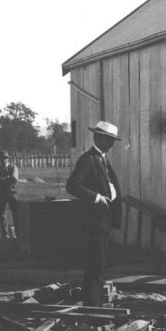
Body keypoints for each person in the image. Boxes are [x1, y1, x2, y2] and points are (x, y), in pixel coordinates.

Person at [66, 121, 122, 307]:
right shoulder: (88, 159)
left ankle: (95, 305)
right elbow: (73, 185)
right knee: (95, 266)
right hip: (94, 222)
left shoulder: (102, 159)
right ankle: (92, 308)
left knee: (101, 265)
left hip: (103, 221)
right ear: (98, 138)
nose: (112, 144)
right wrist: (97, 197)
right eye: (110, 140)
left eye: (113, 140)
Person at [0, 150, 19, 240]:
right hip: (0, 193)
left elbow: (14, 179)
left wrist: (1, 179)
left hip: (11, 193)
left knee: (15, 213)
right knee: (2, 214)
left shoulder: (13, 167)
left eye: (5, 158)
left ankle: (18, 234)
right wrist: (7, 179)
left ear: (7, 159)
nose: (3, 160)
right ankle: (5, 235)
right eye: (1, 158)